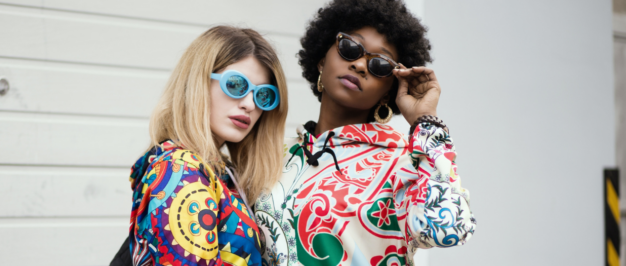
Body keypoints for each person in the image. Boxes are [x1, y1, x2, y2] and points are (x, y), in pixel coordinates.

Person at [253, 1, 476, 265]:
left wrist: (424, 121)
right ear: (322, 60)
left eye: (380, 64)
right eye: (350, 48)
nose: (360, 65)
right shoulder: (272, 153)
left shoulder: (404, 163)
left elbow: (448, 227)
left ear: (388, 91)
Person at [111, 25, 288, 266]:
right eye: (236, 85)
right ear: (198, 82)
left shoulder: (220, 172)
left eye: (263, 95)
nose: (249, 104)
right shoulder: (181, 170)